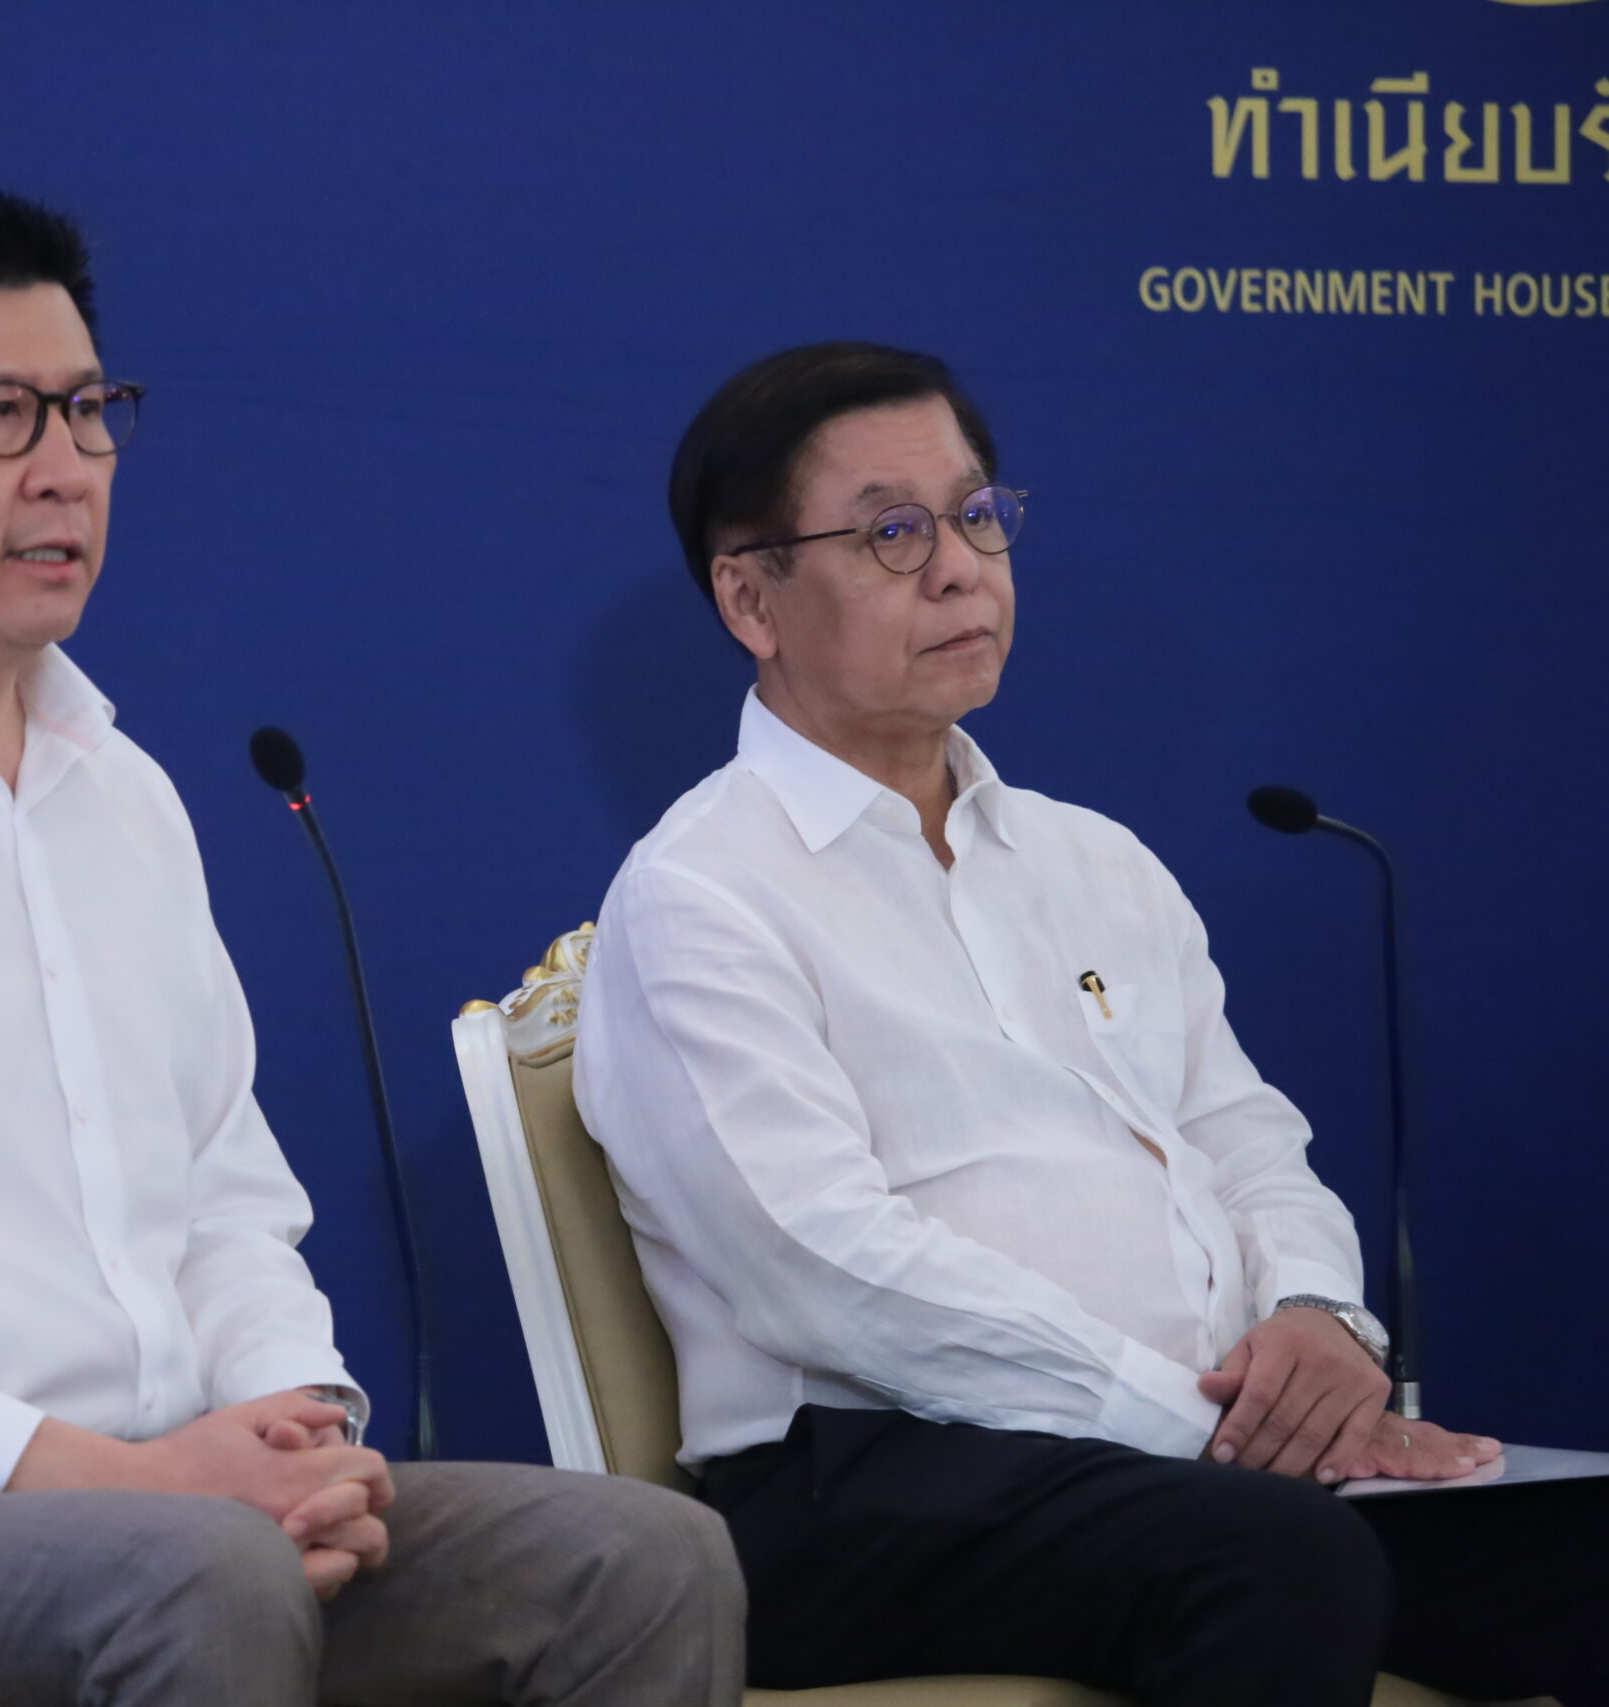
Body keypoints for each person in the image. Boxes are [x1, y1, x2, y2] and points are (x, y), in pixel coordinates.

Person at [0, 180, 742, 1707]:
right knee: (200, 1572)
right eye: (0, 414)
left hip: (151, 1519)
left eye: (90, 412)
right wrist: (117, 1481)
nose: (66, 469)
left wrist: (293, 1425)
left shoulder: (123, 794)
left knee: (642, 1562)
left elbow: (224, 1197)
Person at [572, 341, 1605, 1707]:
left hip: (1195, 1470)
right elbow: (820, 1267)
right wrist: (1210, 1431)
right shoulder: (702, 892)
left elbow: (1247, 1141)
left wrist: (1318, 1320)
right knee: (1275, 1557)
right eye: (892, 533)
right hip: (863, 1481)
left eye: (976, 515)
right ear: (752, 598)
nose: (961, 569)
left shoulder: (1095, 860)